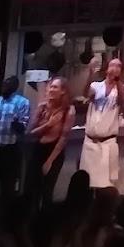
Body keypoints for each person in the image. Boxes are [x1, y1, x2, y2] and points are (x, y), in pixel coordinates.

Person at [26, 77, 75, 213]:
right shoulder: (42, 107)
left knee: (47, 191)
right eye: (51, 86)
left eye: (55, 87)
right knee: (31, 189)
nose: (51, 89)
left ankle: (45, 221)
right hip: (38, 149)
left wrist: (49, 161)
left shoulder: (68, 111)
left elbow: (63, 138)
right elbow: (31, 132)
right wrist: (48, 124)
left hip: (54, 152)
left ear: (63, 91)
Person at [79, 57, 124, 192]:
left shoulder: (121, 88)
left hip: (108, 144)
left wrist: (117, 81)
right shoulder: (96, 85)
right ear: (106, 69)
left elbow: (123, 101)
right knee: (87, 183)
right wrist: (90, 73)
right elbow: (86, 94)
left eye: (118, 66)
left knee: (106, 186)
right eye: (112, 65)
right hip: (90, 143)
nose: (115, 68)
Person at [0, 74, 30, 198]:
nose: (4, 86)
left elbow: (22, 128)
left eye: (8, 84)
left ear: (15, 87)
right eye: (3, 83)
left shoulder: (22, 102)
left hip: (10, 150)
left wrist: (16, 123)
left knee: (8, 187)